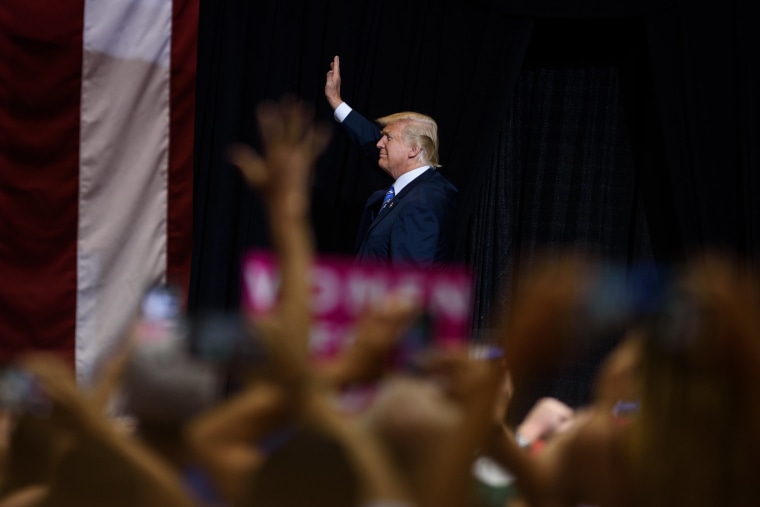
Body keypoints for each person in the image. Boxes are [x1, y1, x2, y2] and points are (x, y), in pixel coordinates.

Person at [325, 55, 458, 267]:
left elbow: (408, 288)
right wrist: (337, 103)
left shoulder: (420, 204)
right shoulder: (419, 186)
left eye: (388, 137)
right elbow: (372, 141)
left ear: (414, 150)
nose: (379, 143)